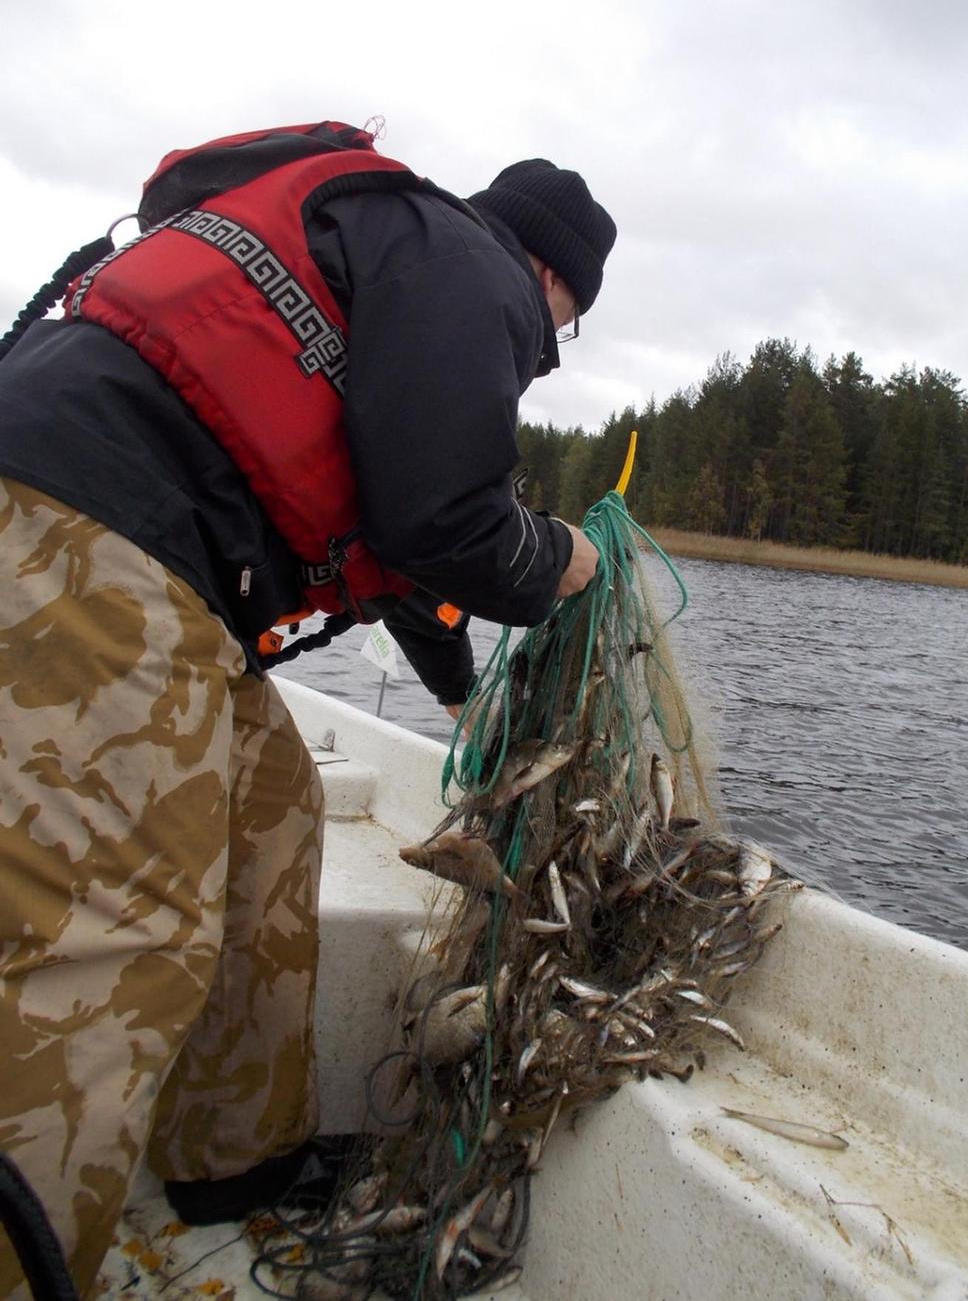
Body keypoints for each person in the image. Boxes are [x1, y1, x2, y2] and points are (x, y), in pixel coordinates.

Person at [0, 120, 615, 1296]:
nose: (553, 343)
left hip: (139, 549)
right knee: (116, 935)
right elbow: (448, 524)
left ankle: (237, 1164)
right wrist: (562, 564)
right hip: (89, 533)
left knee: (271, 816)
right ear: (553, 282)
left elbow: (394, 546)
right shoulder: (473, 272)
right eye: (568, 323)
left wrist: (464, 700)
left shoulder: (388, 249)